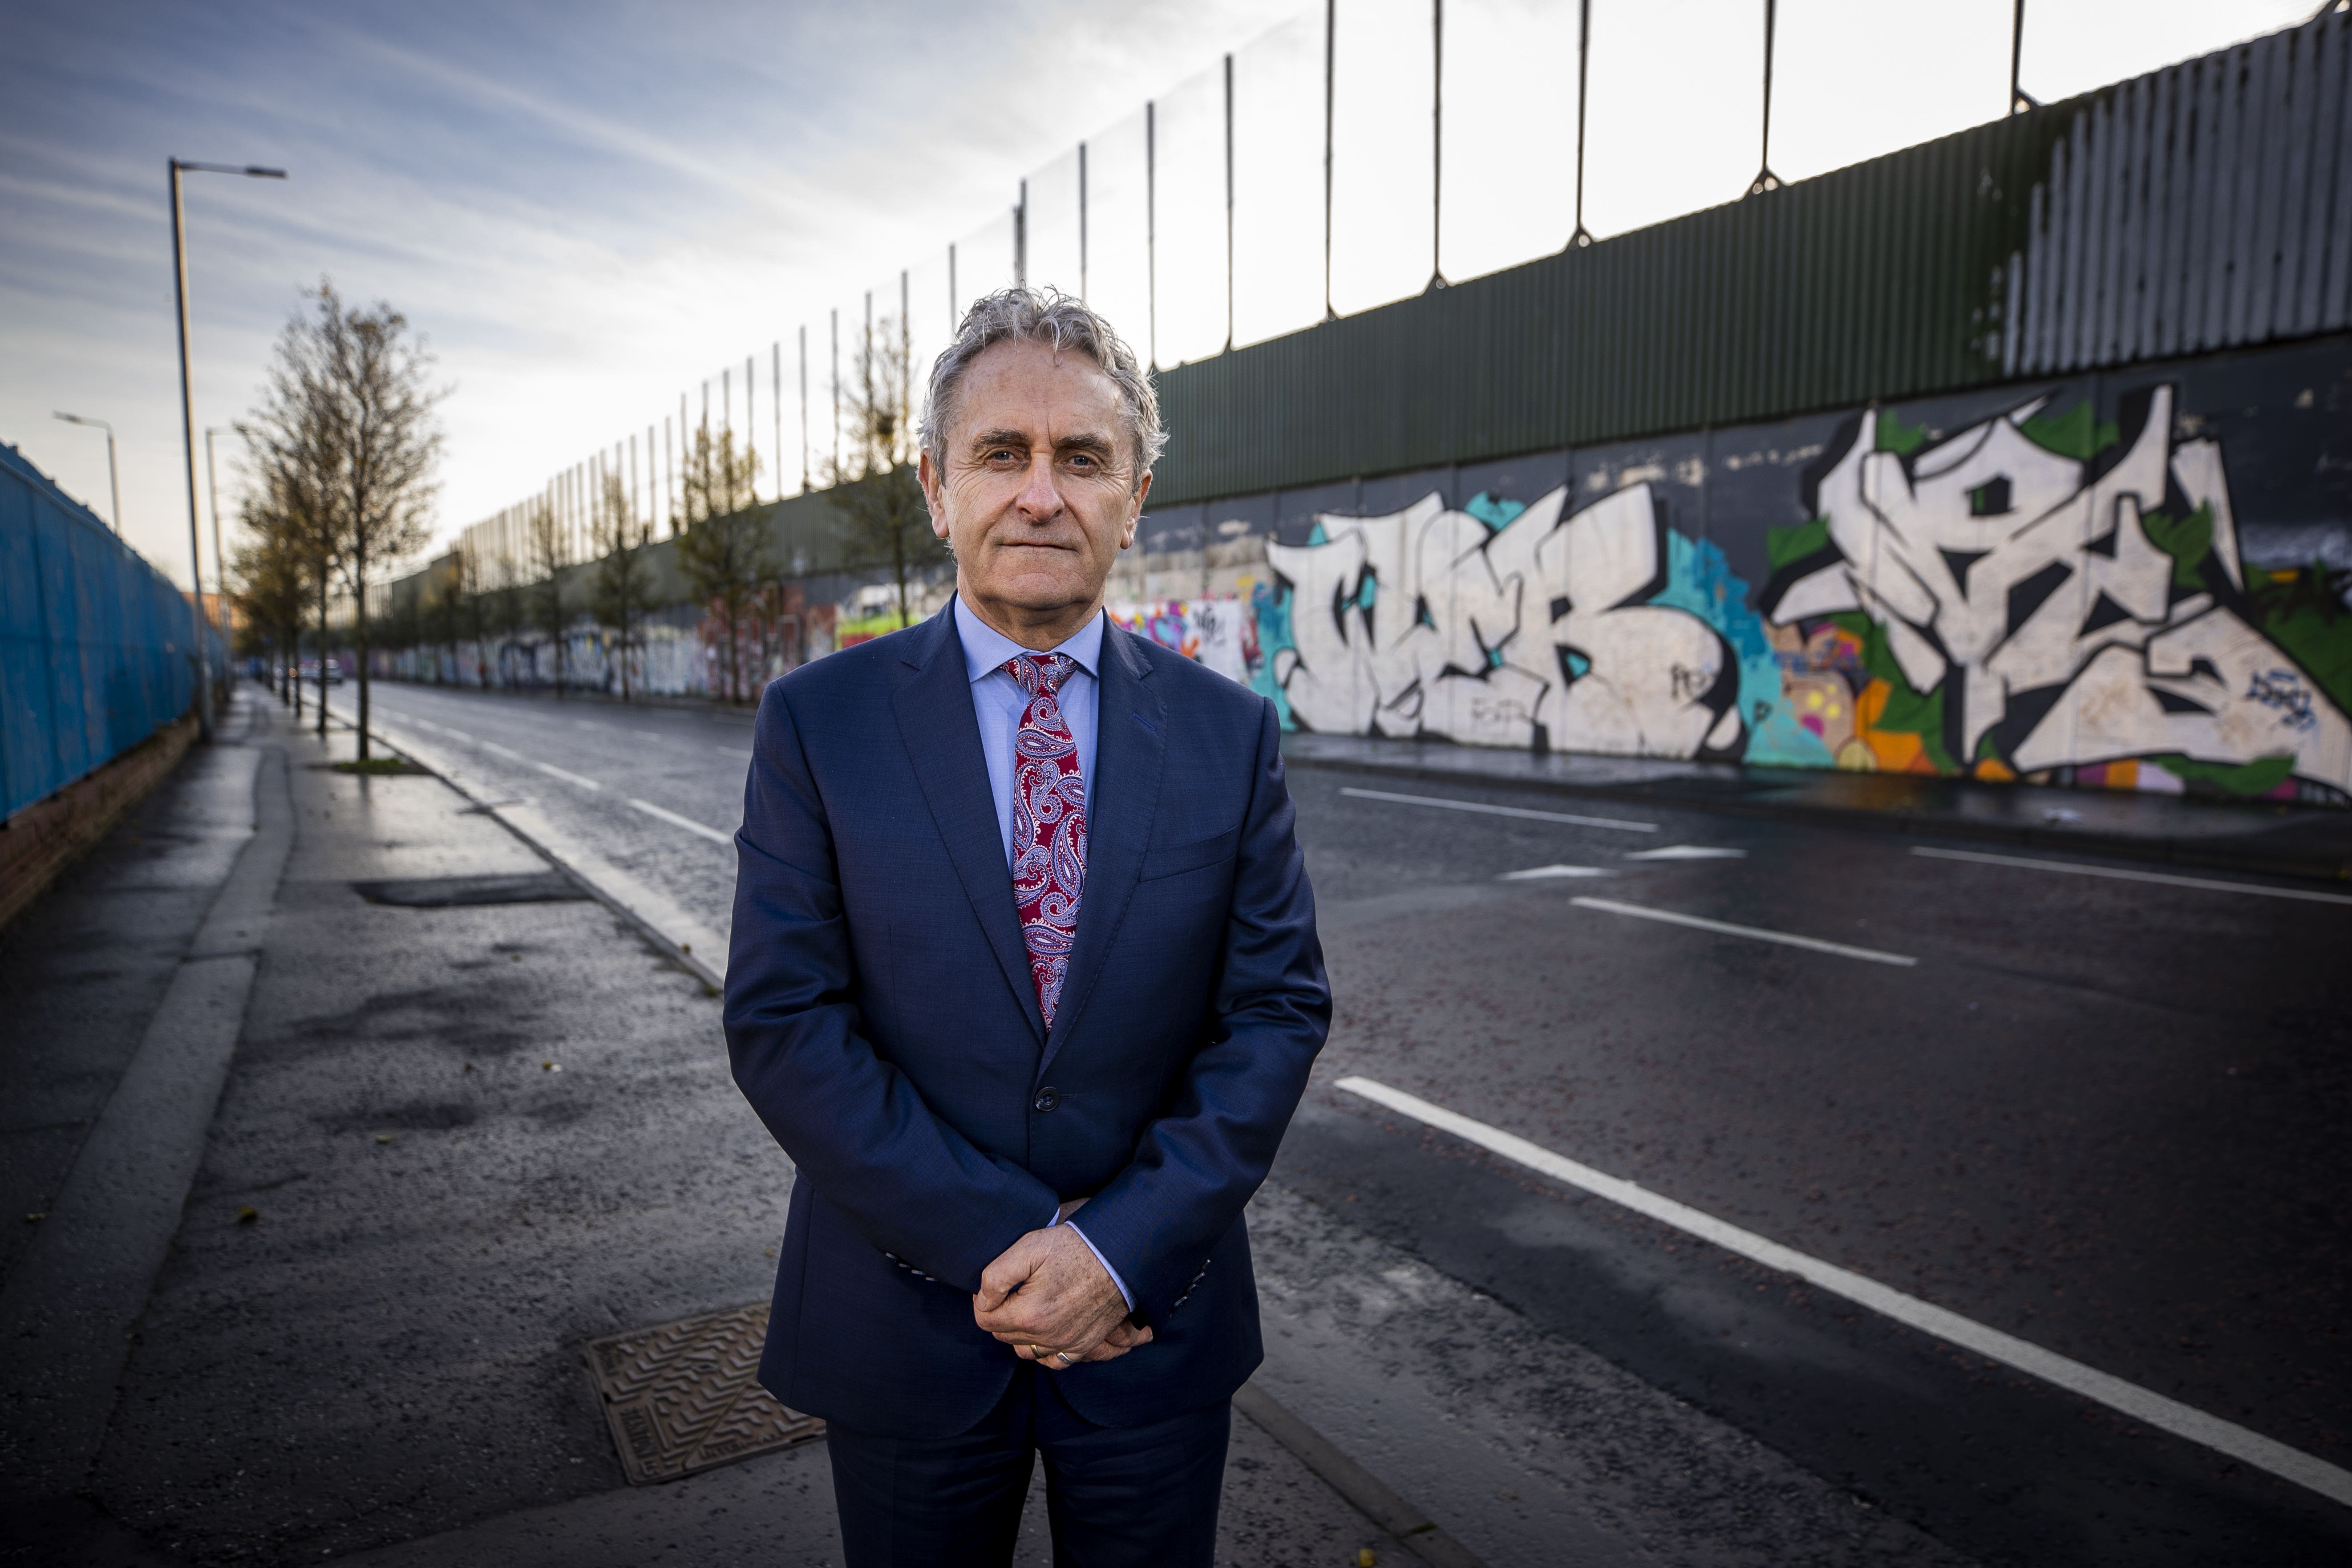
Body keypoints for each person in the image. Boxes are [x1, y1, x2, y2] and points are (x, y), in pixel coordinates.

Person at [725, 287, 1331, 1567]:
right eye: (1003, 452)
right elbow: (785, 1023)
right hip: (902, 1330)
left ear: (1137, 494)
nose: (1041, 492)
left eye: (1083, 458)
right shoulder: (816, 723)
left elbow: (1274, 1012)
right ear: (939, 487)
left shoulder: (1230, 737)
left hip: (1152, 1325)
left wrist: (1113, 1253)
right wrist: (1023, 1249)